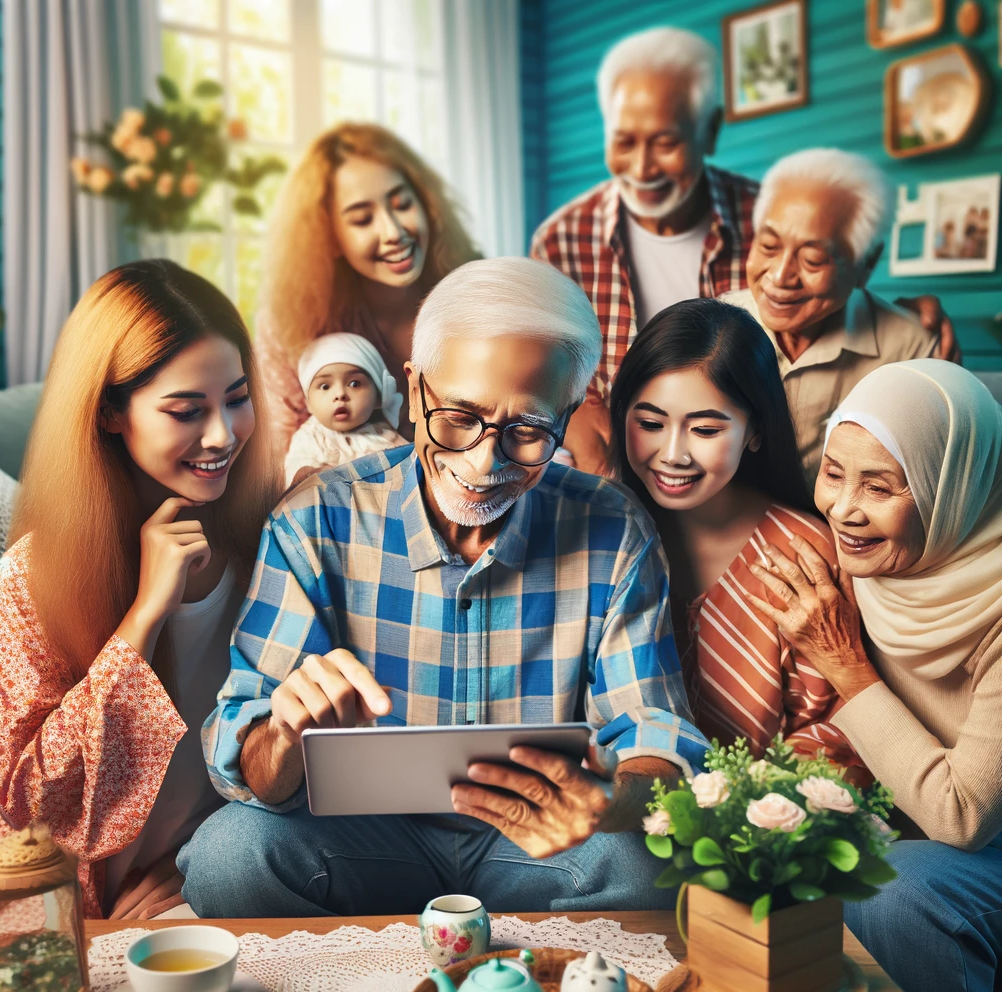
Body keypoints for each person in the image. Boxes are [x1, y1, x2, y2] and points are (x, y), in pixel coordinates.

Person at [178, 257, 710, 918]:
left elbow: (654, 731)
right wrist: (284, 735)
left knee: (648, 863)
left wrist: (612, 804)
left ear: (567, 415)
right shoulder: (317, 516)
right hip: (361, 842)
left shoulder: (614, 528)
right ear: (416, 389)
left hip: (537, 849)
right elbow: (245, 753)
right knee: (230, 857)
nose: (483, 464)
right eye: (459, 417)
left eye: (527, 431)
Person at [0, 260, 277, 919]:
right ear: (111, 411)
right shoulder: (28, 580)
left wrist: (200, 856)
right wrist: (142, 620)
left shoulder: (273, 542)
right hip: (56, 906)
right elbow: (29, 802)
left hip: (219, 875)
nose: (223, 434)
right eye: (186, 410)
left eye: (236, 397)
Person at [530, 26, 959, 474]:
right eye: (624, 141)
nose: (642, 168)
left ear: (709, 131)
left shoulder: (770, 214)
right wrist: (575, 412)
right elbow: (543, 362)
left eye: (666, 142)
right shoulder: (561, 239)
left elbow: (835, 286)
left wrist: (903, 318)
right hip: (626, 470)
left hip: (739, 478)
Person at [744, 360, 1002, 992]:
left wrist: (845, 664)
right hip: (916, 823)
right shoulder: (868, 560)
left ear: (954, 487)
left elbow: (963, 817)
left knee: (894, 887)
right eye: (833, 473)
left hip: (980, 842)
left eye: (881, 486)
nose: (843, 509)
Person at [608, 298, 861, 769]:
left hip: (765, 825)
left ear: (755, 431)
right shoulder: (598, 531)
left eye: (704, 429)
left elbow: (840, 723)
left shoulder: (806, 553)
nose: (673, 454)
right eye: (649, 424)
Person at [257, 122, 480, 454]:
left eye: (403, 204)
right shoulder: (289, 324)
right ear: (329, 238)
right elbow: (281, 448)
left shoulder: (475, 289)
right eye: (362, 219)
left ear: (427, 205)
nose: (393, 232)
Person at [722, 149, 941, 484]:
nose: (780, 277)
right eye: (768, 246)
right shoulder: (721, 322)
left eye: (812, 260)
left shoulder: (912, 350)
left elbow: (919, 485)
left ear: (866, 264)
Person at [284, 332, 407, 487]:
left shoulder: (385, 435)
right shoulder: (309, 436)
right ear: (308, 403)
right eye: (325, 386)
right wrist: (309, 474)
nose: (340, 394)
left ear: (378, 397)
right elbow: (294, 471)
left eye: (354, 384)